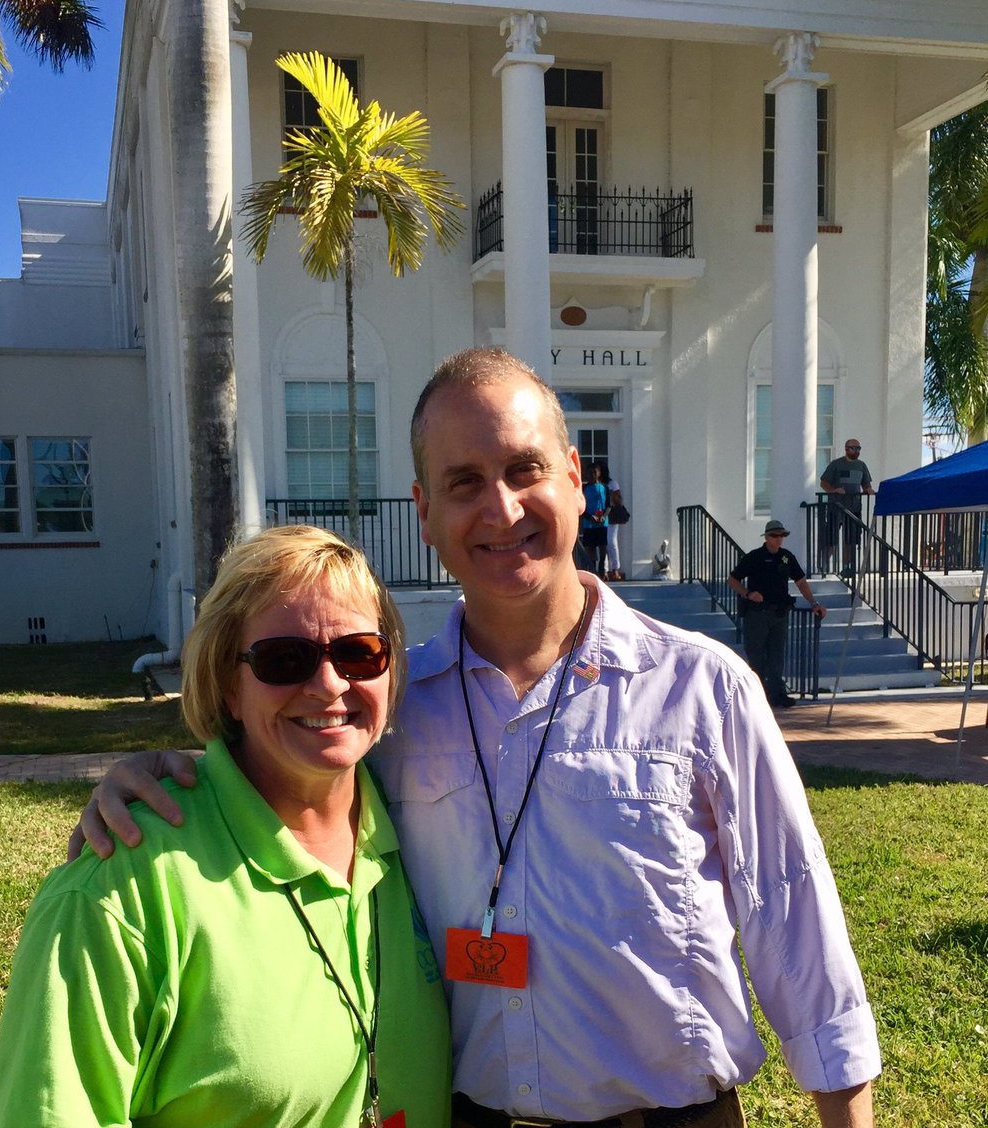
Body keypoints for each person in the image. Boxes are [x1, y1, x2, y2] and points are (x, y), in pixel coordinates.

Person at [75, 349, 879, 1128]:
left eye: (525, 469)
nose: (501, 509)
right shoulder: (390, 710)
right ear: (425, 511)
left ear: (575, 478)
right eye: (464, 483)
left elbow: (797, 924)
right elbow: (290, 780)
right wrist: (171, 774)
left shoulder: (704, 690)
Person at [0, 525, 451, 1128]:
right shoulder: (121, 887)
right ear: (229, 685)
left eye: (359, 652)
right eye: (284, 659)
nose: (330, 684)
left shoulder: (421, 823)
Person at [728, 519, 827, 709]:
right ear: (766, 537)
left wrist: (814, 603)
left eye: (782, 536)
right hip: (757, 613)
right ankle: (756, 694)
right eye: (774, 535)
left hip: (779, 613)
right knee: (756, 654)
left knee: (777, 654)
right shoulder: (754, 557)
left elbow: (801, 582)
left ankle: (777, 694)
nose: (778, 539)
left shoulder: (786, 557)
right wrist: (748, 594)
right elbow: (732, 580)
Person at [820, 440, 875, 577]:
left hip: (854, 508)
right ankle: (823, 566)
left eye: (858, 448)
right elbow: (824, 483)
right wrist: (834, 490)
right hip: (836, 507)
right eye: (853, 448)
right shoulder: (836, 464)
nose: (856, 451)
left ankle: (846, 568)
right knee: (831, 538)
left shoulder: (861, 466)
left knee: (850, 540)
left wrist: (868, 490)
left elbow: (866, 484)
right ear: (846, 449)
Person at [580, 461, 608, 577]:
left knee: (602, 548)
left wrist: (604, 516)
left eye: (594, 472)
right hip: (589, 524)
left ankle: (602, 570)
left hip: (602, 524)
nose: (592, 475)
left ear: (599, 473)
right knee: (590, 548)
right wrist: (589, 516)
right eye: (590, 473)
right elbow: (580, 507)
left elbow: (608, 506)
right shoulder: (584, 488)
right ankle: (592, 570)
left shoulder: (604, 488)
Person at [602, 462, 627, 581]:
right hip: (600, 516)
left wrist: (610, 492)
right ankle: (604, 570)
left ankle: (615, 569)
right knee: (602, 543)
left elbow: (619, 501)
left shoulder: (612, 484)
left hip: (612, 516)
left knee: (611, 542)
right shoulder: (597, 484)